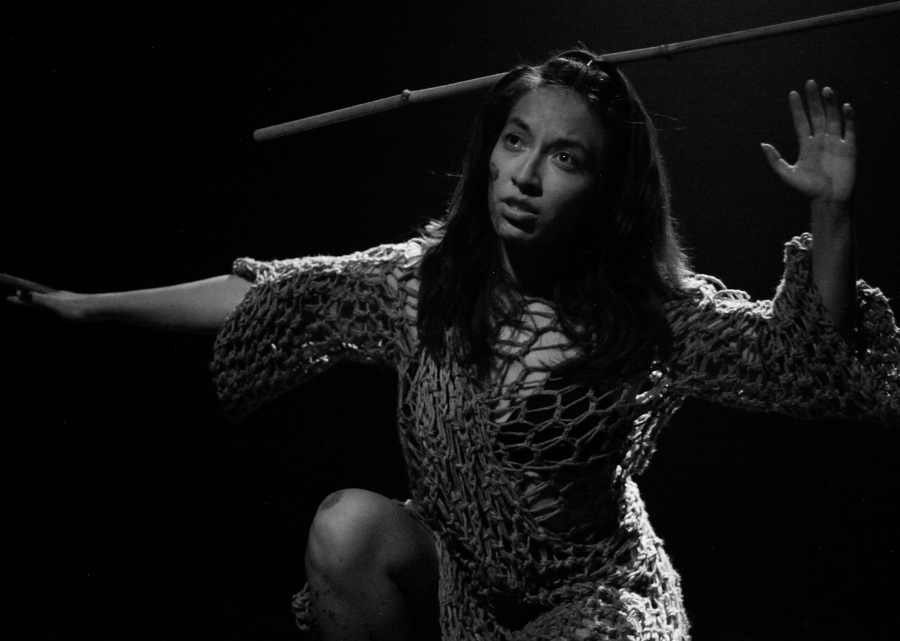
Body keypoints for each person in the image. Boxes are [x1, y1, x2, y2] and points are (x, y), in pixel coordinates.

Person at [4, 49, 898, 640]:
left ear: (607, 192)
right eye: (516, 141)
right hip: (459, 581)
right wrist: (87, 308)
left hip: (590, 606)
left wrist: (831, 214)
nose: (526, 174)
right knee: (346, 526)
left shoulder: (649, 315)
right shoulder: (424, 283)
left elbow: (807, 362)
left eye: (565, 158)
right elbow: (269, 294)